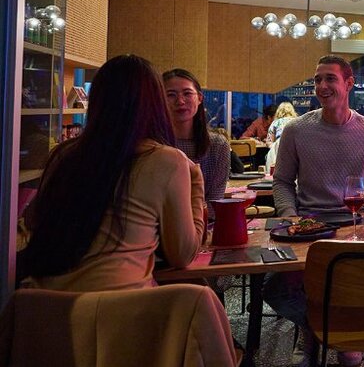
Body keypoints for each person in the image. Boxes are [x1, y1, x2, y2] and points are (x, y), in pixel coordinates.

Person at [18, 54, 204, 291]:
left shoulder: (64, 155)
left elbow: (35, 222)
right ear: (155, 103)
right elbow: (183, 254)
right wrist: (196, 182)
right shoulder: (166, 160)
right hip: (121, 310)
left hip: (46, 309)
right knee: (197, 294)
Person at [265, 55, 364, 367]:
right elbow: (281, 182)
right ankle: (319, 330)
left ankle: (329, 334)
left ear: (348, 84)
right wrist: (291, 216)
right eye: (317, 80)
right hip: (307, 224)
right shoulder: (296, 130)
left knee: (358, 280)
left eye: (329, 79)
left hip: (353, 222)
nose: (321, 86)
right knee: (272, 286)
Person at [163, 69, 230, 211]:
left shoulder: (218, 145)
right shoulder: (153, 145)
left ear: (199, 98)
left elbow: (215, 202)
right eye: (171, 95)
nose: (180, 101)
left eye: (187, 93)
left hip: (206, 224)